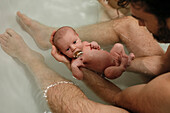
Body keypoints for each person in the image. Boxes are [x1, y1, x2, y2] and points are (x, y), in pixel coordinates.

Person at [0, 0, 168, 111]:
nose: (141, 24)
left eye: (144, 19)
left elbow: (118, 98)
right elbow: (165, 64)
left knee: (80, 108)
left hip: (159, 101)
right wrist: (120, 61)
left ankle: (33, 61)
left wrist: (72, 62)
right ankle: (52, 35)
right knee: (130, 26)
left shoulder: (164, 91)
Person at [51, 26, 135, 80]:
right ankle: (122, 67)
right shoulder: (76, 61)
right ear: (62, 53)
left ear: (77, 36)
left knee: (118, 46)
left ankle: (124, 57)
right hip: (108, 68)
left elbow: (97, 47)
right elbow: (80, 77)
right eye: (67, 49)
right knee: (108, 73)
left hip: (112, 57)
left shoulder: (85, 43)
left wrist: (94, 43)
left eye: (74, 42)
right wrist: (74, 67)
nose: (73, 48)